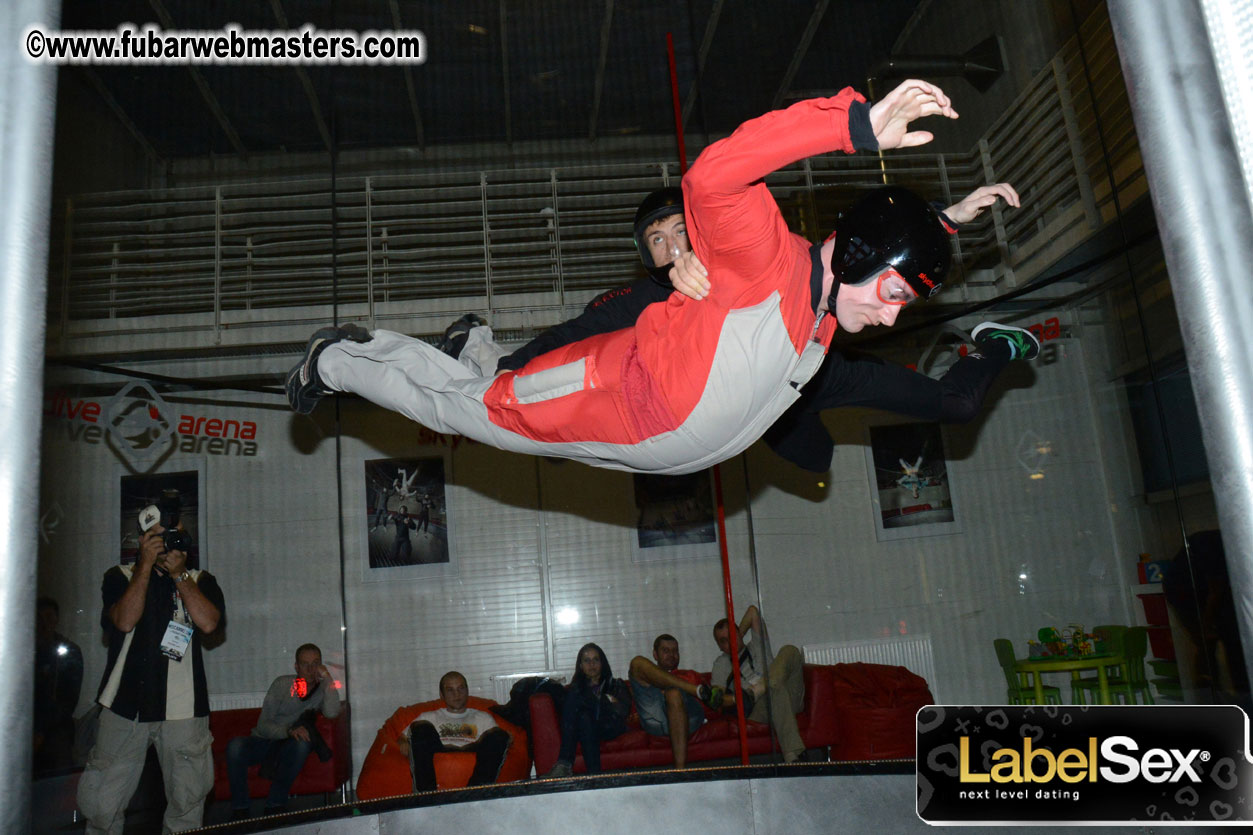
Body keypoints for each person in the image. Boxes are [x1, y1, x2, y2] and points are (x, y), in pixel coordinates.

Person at [287, 79, 1038, 476]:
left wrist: (942, 222)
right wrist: (850, 127)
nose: (889, 319)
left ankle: (470, 348)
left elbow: (879, 245)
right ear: (857, 256)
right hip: (613, 395)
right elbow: (712, 175)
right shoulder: (765, 261)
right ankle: (336, 359)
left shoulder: (820, 312)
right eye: (893, 296)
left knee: (477, 397)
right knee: (464, 412)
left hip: (646, 443)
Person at [77, 492, 224, 835]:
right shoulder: (119, 576)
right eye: (161, 536)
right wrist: (144, 565)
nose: (172, 543)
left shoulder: (200, 580)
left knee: (188, 804)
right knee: (103, 806)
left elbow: (209, 623)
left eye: (177, 535)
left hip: (184, 710)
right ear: (144, 540)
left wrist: (179, 576)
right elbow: (124, 621)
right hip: (125, 705)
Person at [224, 643, 342, 819]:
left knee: (302, 744)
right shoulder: (282, 684)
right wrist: (288, 730)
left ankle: (275, 805)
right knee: (235, 746)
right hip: (266, 740)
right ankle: (240, 809)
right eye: (305, 664)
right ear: (296, 667)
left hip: (291, 745)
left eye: (315, 663)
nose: (310, 669)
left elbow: (332, 712)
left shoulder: (322, 688)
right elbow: (263, 725)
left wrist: (327, 678)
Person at [712, 605, 807, 763]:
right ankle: (792, 757)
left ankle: (759, 688)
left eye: (732, 635)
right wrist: (738, 699)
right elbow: (718, 699)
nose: (730, 642)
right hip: (759, 708)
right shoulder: (720, 664)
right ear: (720, 646)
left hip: (788, 698)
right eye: (724, 641)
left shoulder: (757, 645)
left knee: (789, 650)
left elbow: (752, 612)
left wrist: (737, 636)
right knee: (774, 689)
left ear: (739, 633)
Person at [399, 671, 511, 792]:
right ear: (442, 694)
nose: (456, 694)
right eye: (450, 690)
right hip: (439, 747)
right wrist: (402, 741)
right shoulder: (429, 716)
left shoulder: (482, 717)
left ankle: (475, 793)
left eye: (461, 688)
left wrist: (506, 737)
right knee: (420, 727)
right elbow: (404, 736)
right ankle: (426, 795)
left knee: (499, 735)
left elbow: (498, 740)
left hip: (472, 748)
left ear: (467, 691)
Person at [628, 634, 722, 769]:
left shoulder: (690, 674)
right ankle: (696, 691)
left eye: (675, 651)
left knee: (673, 693)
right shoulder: (645, 675)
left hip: (688, 719)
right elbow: (634, 711)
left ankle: (680, 772)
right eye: (665, 651)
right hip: (656, 718)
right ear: (655, 654)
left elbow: (717, 702)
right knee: (637, 662)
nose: (671, 655)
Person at [542, 642, 632, 777]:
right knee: (584, 717)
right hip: (588, 726)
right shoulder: (576, 690)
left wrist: (601, 700)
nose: (592, 664)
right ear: (581, 666)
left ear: (603, 663)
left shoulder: (615, 684)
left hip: (610, 726)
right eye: (587, 660)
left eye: (596, 659)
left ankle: (565, 763)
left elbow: (622, 711)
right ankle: (594, 776)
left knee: (579, 702)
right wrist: (607, 700)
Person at [33, 596, 84, 775]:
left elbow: (68, 700)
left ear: (57, 619)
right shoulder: (23, 650)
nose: (44, 623)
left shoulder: (68, 651)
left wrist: (41, 731)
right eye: (40, 618)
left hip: (55, 728)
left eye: (49, 617)